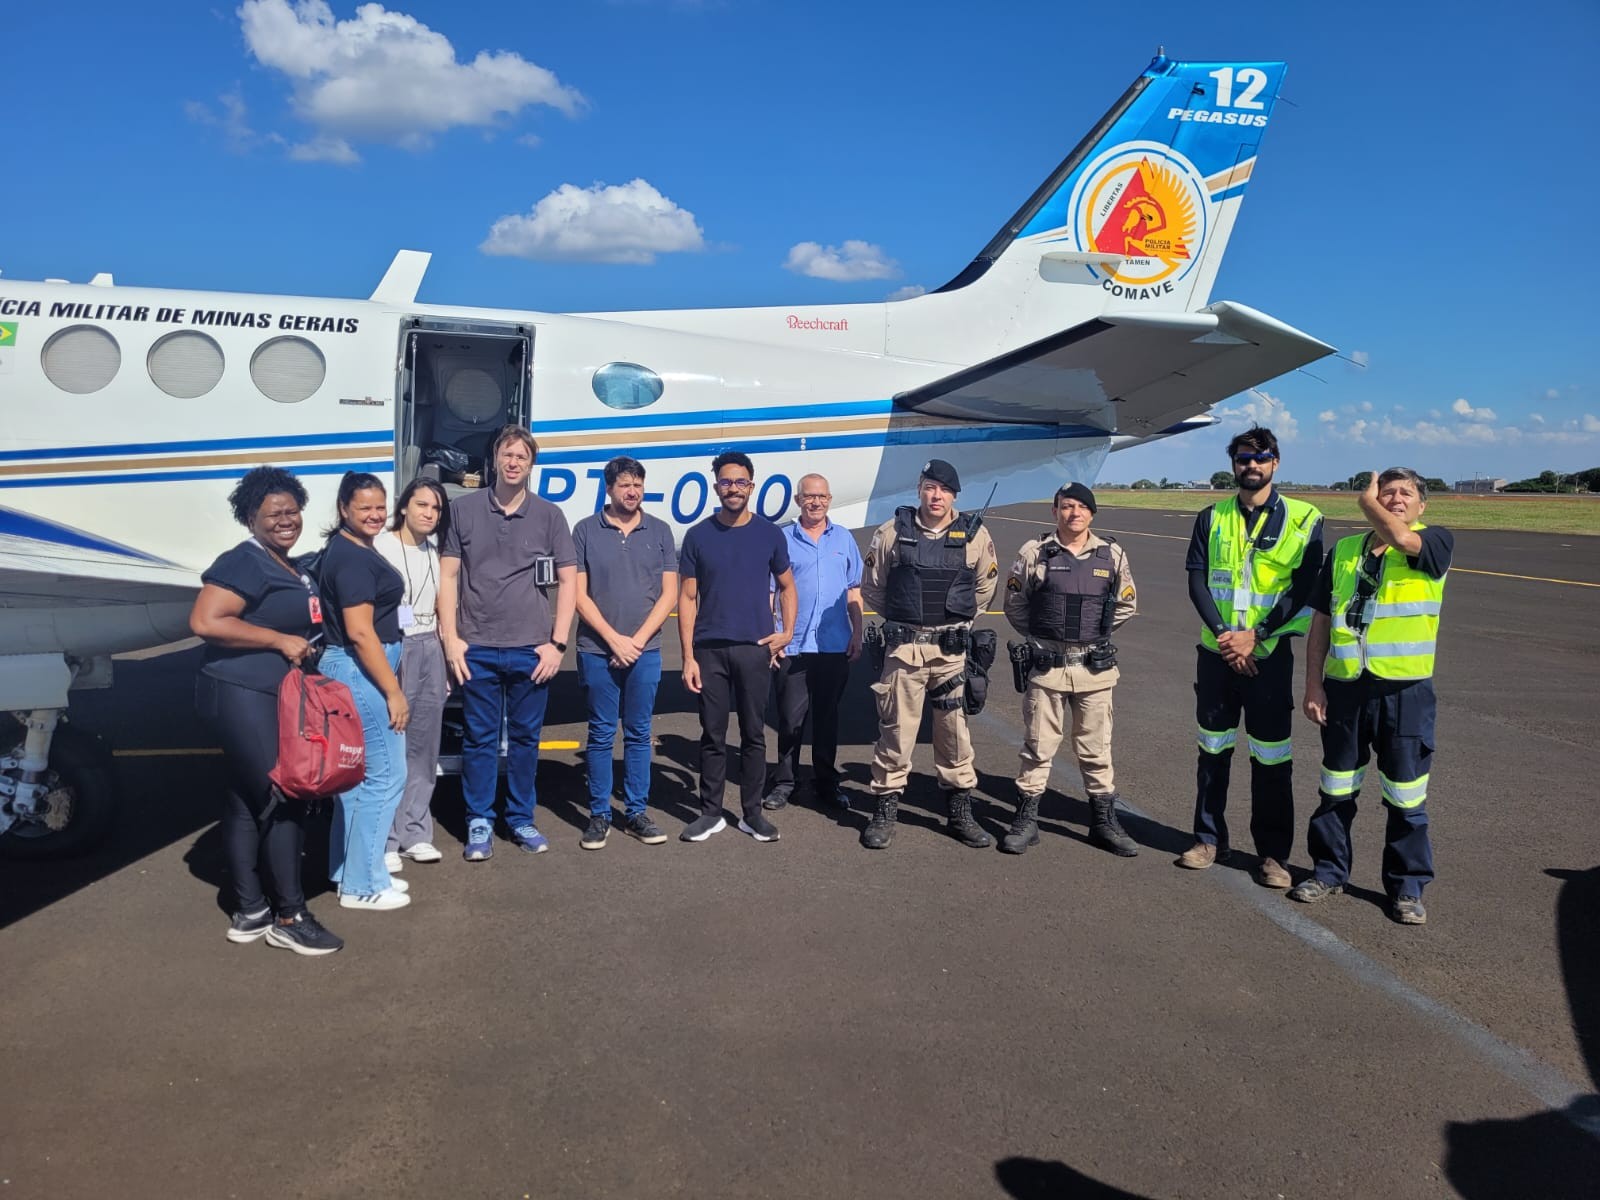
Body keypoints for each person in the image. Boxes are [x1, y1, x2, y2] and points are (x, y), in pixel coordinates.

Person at [189, 466, 343, 955]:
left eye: (292, 511)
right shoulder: (244, 562)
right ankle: (290, 916)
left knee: (244, 800)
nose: (285, 520)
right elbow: (205, 620)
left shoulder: (286, 564)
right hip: (238, 692)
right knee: (284, 794)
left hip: (268, 697)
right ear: (250, 518)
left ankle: (250, 909)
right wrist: (279, 639)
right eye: (273, 513)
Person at [1291, 468, 1453, 925]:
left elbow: (1402, 540)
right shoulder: (1344, 551)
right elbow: (1322, 619)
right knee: (1336, 788)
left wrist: (1368, 503)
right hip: (1346, 690)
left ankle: (1406, 887)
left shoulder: (1435, 542)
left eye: (1406, 494)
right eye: (1387, 493)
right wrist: (1313, 683)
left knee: (1405, 796)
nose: (1396, 499)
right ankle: (1328, 871)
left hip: (1405, 693)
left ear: (1422, 505)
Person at [1180, 426, 1324, 888]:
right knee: (1212, 752)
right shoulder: (1211, 516)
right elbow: (1198, 581)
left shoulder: (1305, 518)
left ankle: (1273, 856)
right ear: (1233, 464)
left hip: (1270, 655)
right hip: (1217, 654)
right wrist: (1226, 637)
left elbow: (1304, 588)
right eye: (1244, 458)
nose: (1252, 465)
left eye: (1261, 457)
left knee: (1272, 759)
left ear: (1275, 463)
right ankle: (1207, 839)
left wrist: (1256, 636)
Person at [438, 425, 577, 861]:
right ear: (495, 459)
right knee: (478, 739)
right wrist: (451, 640)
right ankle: (479, 820)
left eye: (522, 456)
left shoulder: (550, 515)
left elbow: (570, 582)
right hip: (476, 645)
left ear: (531, 465)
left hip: (530, 648)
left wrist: (557, 643)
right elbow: (447, 576)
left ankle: (520, 818)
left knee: (524, 739)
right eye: (508, 454)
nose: (514, 462)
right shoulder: (464, 511)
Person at [859, 458, 999, 850]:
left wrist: (954, 625)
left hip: (951, 654)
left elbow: (984, 588)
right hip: (904, 650)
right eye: (930, 487)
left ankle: (959, 812)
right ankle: (885, 810)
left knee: (954, 735)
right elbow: (873, 587)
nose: (936, 496)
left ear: (954, 495)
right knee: (895, 733)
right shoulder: (891, 532)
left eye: (944, 489)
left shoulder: (975, 535)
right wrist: (907, 618)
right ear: (920, 489)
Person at [1000, 482, 1139, 856]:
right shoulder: (1035, 552)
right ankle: (1027, 818)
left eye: (1080, 507)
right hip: (1047, 669)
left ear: (1091, 513)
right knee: (1038, 746)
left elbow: (1125, 604)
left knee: (1096, 749)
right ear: (1055, 512)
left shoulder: (1112, 554)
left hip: (1094, 671)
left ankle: (1103, 821)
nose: (1073, 513)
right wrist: (1040, 639)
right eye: (1065, 506)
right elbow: (1014, 603)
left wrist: (1095, 637)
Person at [678, 451, 797, 843]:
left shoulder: (769, 533)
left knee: (753, 735)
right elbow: (687, 598)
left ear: (751, 486)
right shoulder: (698, 535)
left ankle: (751, 814)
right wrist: (688, 656)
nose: (733, 488)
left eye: (740, 482)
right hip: (709, 650)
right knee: (711, 735)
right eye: (726, 482)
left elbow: (787, 586)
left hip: (753, 648)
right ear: (716, 487)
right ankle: (710, 813)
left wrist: (787, 632)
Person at [317, 472, 412, 911]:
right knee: (387, 775)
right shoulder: (353, 559)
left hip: (356, 667)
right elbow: (360, 632)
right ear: (343, 509)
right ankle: (362, 885)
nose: (375, 515)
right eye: (364, 508)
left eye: (380, 507)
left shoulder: (350, 548)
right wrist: (393, 692)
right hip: (362, 670)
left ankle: (351, 870)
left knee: (357, 781)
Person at [571, 456, 677, 849]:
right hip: (597, 650)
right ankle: (599, 815)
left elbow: (668, 594)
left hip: (644, 651)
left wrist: (634, 642)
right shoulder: (584, 531)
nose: (632, 492)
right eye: (624, 485)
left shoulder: (661, 531)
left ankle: (635, 812)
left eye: (637, 485)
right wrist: (614, 640)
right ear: (609, 488)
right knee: (599, 735)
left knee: (638, 733)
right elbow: (579, 594)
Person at [763, 473, 863, 814]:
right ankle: (786, 781)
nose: (815, 502)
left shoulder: (845, 539)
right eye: (809, 496)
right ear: (798, 500)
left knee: (827, 718)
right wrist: (773, 637)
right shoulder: (782, 538)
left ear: (830, 499)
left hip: (834, 644)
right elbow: (771, 591)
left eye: (821, 496)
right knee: (790, 720)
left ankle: (825, 781)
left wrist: (858, 631)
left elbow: (853, 589)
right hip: (793, 644)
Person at [375, 478, 450, 874]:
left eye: (435, 509)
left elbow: (443, 604)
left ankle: (415, 832)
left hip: (429, 645)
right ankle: (385, 838)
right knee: (390, 745)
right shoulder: (381, 547)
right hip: (392, 646)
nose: (428, 513)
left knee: (424, 744)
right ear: (404, 507)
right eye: (421, 505)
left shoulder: (437, 551)